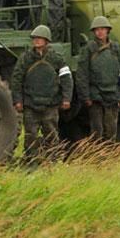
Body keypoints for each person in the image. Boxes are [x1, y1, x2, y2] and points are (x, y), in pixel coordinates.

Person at [11, 25, 73, 160]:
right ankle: (31, 162)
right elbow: (16, 79)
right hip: (30, 104)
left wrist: (66, 98)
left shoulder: (56, 59)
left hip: (50, 105)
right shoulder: (25, 58)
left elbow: (66, 79)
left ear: (47, 40)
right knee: (30, 136)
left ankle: (52, 162)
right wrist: (18, 100)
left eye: (40, 38)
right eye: (35, 38)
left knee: (51, 135)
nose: (37, 41)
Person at [76, 16, 120, 142]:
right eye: (97, 30)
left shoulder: (116, 49)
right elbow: (82, 74)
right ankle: (97, 157)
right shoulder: (88, 49)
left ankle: (109, 157)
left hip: (112, 94)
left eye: (103, 29)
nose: (100, 32)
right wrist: (86, 97)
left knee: (111, 129)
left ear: (107, 31)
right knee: (97, 130)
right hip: (96, 96)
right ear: (94, 32)